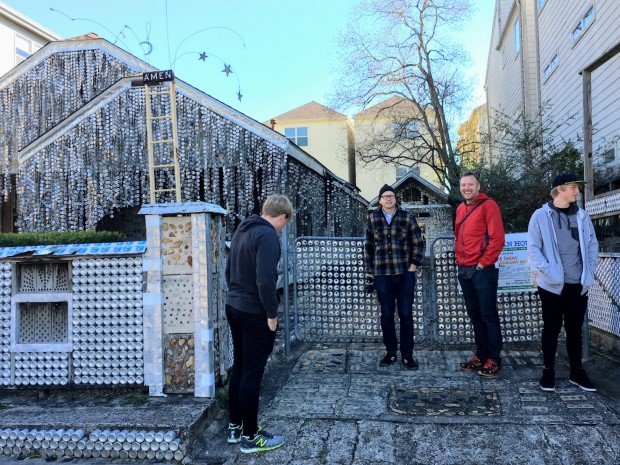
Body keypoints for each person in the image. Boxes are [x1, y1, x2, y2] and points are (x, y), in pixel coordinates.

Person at [225, 194, 292, 453]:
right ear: (282, 217)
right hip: (255, 312)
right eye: (285, 223)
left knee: (240, 367)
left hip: (234, 306)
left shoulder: (242, 230)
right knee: (252, 372)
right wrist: (272, 314)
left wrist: (236, 294)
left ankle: (235, 426)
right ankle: (251, 437)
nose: (283, 228)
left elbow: (229, 270)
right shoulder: (267, 236)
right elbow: (265, 280)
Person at [527, 173, 599, 392]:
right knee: (551, 328)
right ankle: (548, 372)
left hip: (579, 284)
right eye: (573, 188)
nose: (577, 191)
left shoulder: (583, 216)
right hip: (552, 285)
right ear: (559, 189)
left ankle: (577, 372)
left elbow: (592, 245)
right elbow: (533, 248)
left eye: (577, 188)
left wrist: (589, 272)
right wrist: (549, 273)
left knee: (575, 329)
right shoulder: (541, 216)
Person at [364, 184, 424, 370]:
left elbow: (418, 242)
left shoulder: (407, 217)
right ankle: (390, 353)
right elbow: (368, 247)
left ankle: (407, 355)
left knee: (406, 314)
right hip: (382, 274)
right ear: (380, 200)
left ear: (396, 198)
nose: (388, 199)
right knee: (387, 315)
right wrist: (369, 273)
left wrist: (413, 266)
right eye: (385, 196)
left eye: (391, 196)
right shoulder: (372, 218)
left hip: (405, 274)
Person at [455, 172, 505, 377]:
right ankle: (481, 354)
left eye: (470, 184)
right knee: (475, 315)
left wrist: (483, 264)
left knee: (488, 314)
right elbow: (458, 236)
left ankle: (494, 358)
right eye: (463, 185)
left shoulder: (489, 205)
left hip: (482, 269)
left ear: (478, 186)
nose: (467, 188)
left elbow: (497, 238)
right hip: (464, 268)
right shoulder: (460, 208)